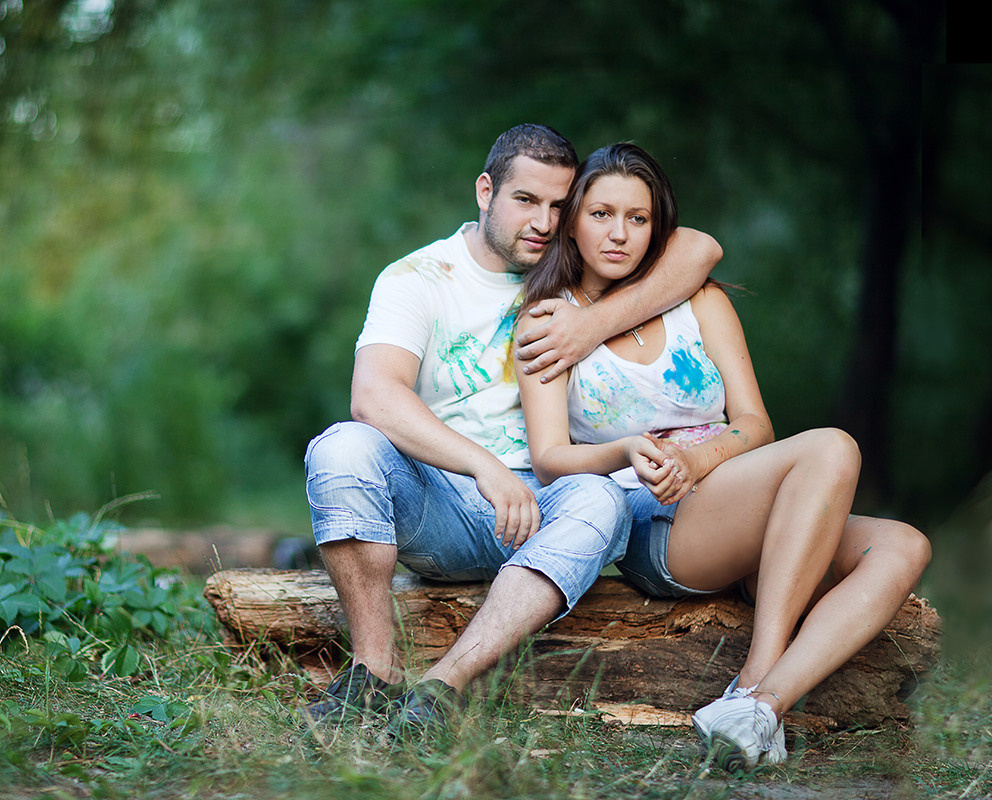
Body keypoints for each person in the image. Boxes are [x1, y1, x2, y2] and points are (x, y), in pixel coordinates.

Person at [514, 142, 931, 771]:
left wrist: (701, 459)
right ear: (572, 221)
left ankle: (760, 705)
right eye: (601, 214)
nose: (619, 234)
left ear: (657, 227)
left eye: (637, 218)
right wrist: (626, 451)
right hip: (657, 520)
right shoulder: (549, 321)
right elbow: (549, 459)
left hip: (737, 499)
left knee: (903, 546)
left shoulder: (700, 301)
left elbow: (755, 423)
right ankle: (755, 685)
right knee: (832, 447)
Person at [301, 125, 722, 737]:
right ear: (485, 191)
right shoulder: (419, 277)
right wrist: (484, 466)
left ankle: (441, 689)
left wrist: (592, 322)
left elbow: (701, 248)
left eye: (559, 206)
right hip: (439, 502)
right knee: (341, 446)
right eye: (526, 200)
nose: (543, 223)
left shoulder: (579, 266)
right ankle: (373, 674)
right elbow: (374, 395)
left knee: (603, 500)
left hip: (549, 504)